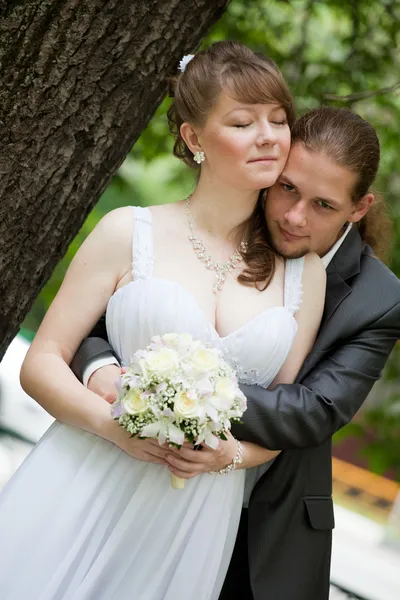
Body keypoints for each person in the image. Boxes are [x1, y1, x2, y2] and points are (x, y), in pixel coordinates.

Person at [0, 41, 327, 600]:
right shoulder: (129, 231)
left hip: (195, 512)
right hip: (86, 474)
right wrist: (114, 427)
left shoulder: (306, 272)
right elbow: (41, 363)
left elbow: (279, 421)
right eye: (244, 122)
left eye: (279, 119)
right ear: (195, 138)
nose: (269, 136)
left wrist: (231, 456)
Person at [77, 107, 400, 600]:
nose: (294, 217)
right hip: (137, 479)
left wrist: (178, 391)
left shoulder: (380, 299)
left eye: (323, 205)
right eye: (288, 188)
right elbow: (106, 320)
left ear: (359, 208)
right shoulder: (217, 222)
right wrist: (102, 369)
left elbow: (315, 410)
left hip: (266, 531)